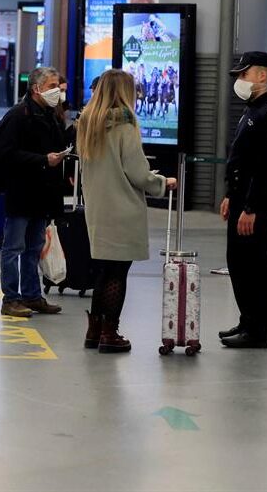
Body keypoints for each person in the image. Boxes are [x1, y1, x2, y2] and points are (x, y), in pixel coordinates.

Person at [77, 69, 177, 353]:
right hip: (123, 209)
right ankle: (110, 333)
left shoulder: (88, 122)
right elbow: (137, 172)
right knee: (118, 274)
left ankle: (94, 330)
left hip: (98, 209)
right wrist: (161, 182)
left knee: (103, 271)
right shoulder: (125, 122)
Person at [219, 51, 267, 349]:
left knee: (256, 266)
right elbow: (239, 160)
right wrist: (229, 196)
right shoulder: (252, 108)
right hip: (240, 199)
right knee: (238, 262)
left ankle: (259, 331)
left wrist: (249, 207)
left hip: (255, 202)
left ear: (261, 75)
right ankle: (247, 320)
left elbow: (265, 167)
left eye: (243, 74)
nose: (239, 79)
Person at [0, 67, 66, 318]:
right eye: (51, 86)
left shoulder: (50, 115)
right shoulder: (18, 116)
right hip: (21, 191)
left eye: (58, 86)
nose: (56, 91)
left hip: (43, 192)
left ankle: (32, 295)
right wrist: (41, 160)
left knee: (35, 247)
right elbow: (5, 154)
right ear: (36, 88)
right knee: (13, 247)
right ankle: (10, 299)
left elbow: (57, 144)